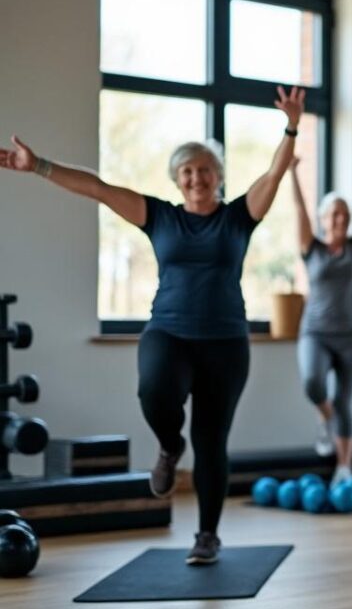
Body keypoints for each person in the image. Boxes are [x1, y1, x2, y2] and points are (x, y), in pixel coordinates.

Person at [1, 87, 305, 564]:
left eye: (204, 169)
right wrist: (39, 166)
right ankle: (168, 445)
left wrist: (291, 126)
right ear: (177, 180)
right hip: (170, 331)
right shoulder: (159, 217)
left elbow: (275, 171)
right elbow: (98, 189)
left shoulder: (238, 219)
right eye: (187, 171)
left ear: (218, 176)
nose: (196, 177)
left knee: (212, 442)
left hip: (226, 342)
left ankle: (207, 534)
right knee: (154, 392)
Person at [291, 147, 352, 486]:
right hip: (315, 332)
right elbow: (298, 208)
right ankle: (324, 418)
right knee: (313, 384)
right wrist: (293, 172)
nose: (340, 219)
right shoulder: (311, 249)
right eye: (333, 215)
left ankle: (344, 468)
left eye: (344, 214)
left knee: (344, 400)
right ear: (322, 219)